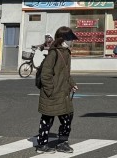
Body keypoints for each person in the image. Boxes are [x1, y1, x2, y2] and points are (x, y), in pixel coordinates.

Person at [36, 26, 79, 154]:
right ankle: (42, 145)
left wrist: (72, 84)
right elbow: (45, 74)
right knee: (47, 119)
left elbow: (64, 73)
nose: (73, 42)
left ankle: (62, 143)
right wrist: (50, 91)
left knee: (67, 117)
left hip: (62, 93)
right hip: (53, 93)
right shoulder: (54, 53)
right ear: (63, 39)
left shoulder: (66, 52)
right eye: (71, 39)